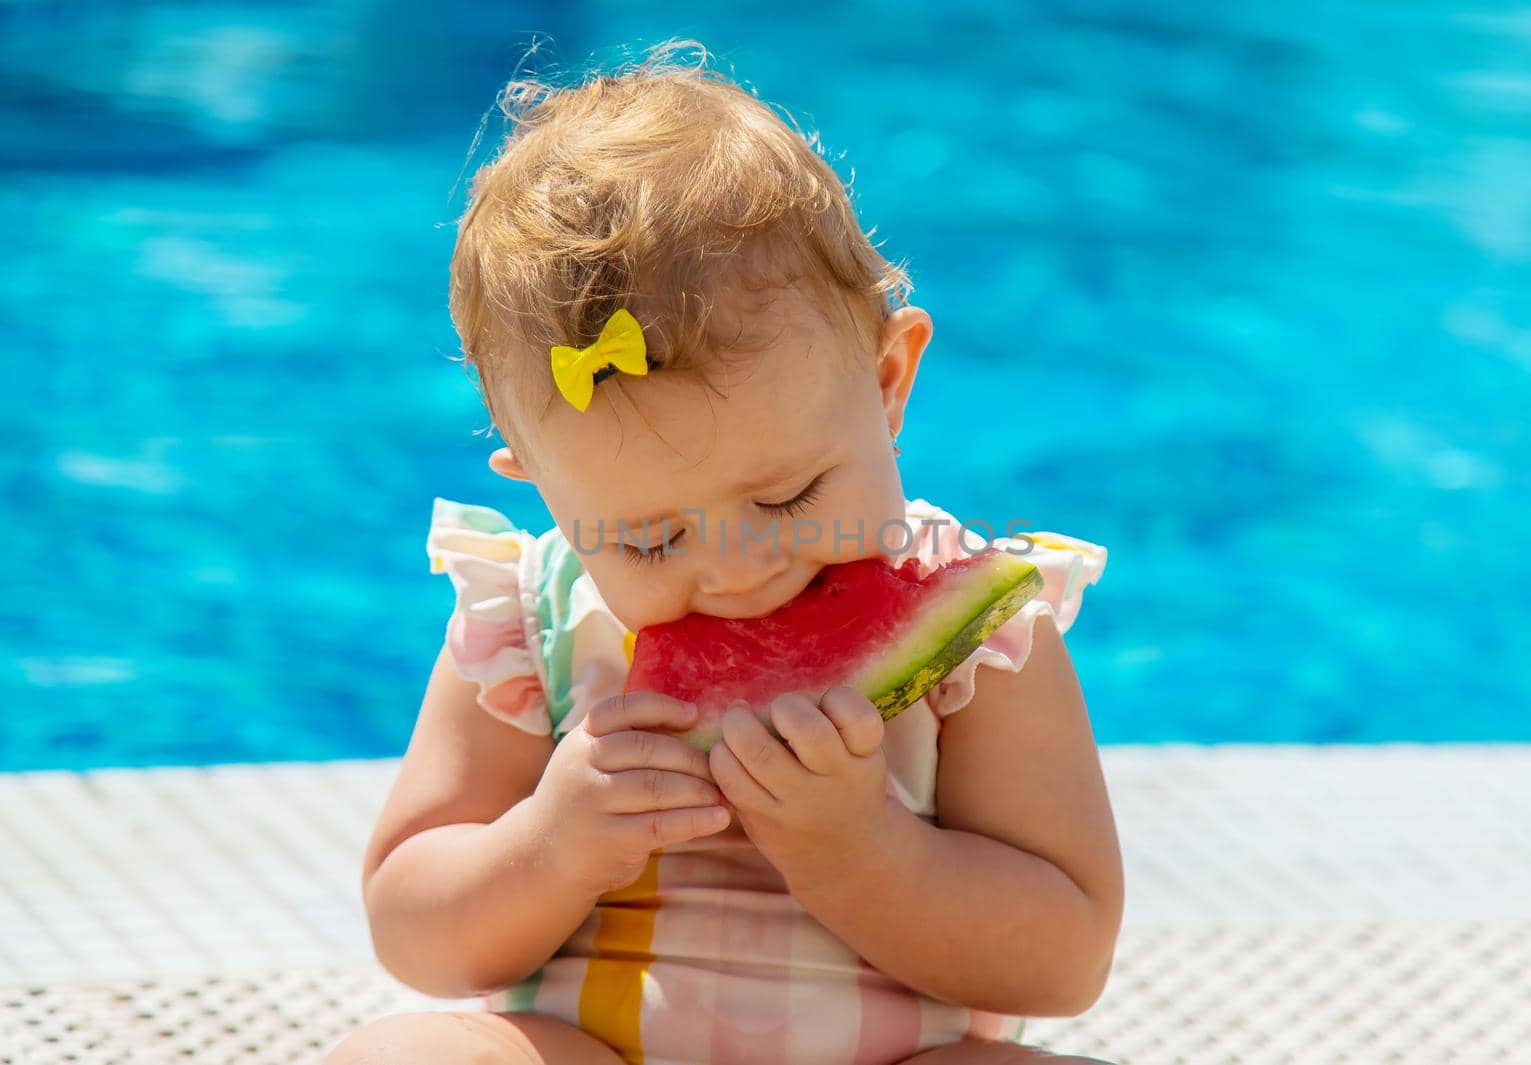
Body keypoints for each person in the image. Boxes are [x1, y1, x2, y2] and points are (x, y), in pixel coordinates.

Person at [328, 38, 1123, 1065]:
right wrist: (547, 847)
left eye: (791, 494)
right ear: (540, 484)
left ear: (888, 385)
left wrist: (859, 853)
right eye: (649, 536)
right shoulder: (529, 624)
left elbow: (1063, 966)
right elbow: (413, 935)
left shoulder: (984, 635)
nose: (741, 568)